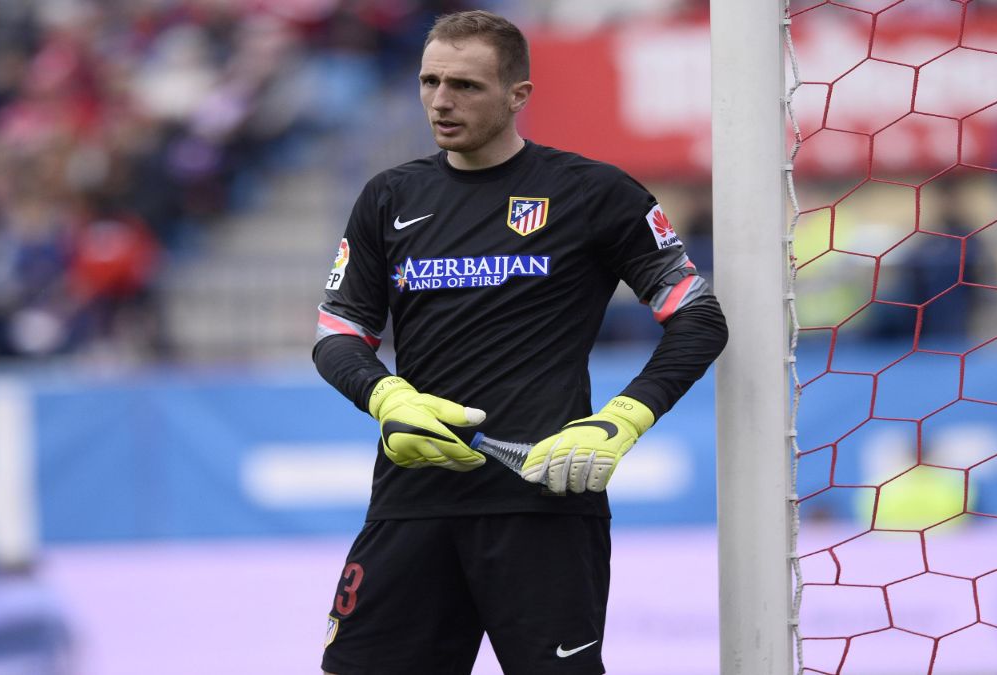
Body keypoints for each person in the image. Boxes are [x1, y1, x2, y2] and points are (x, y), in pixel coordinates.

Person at [312, 10, 727, 674]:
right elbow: (338, 334)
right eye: (429, 81)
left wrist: (620, 421)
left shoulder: (594, 193)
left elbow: (699, 316)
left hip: (544, 506)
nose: (441, 101)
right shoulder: (389, 197)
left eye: (466, 86)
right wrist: (385, 396)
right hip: (412, 500)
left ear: (518, 95)